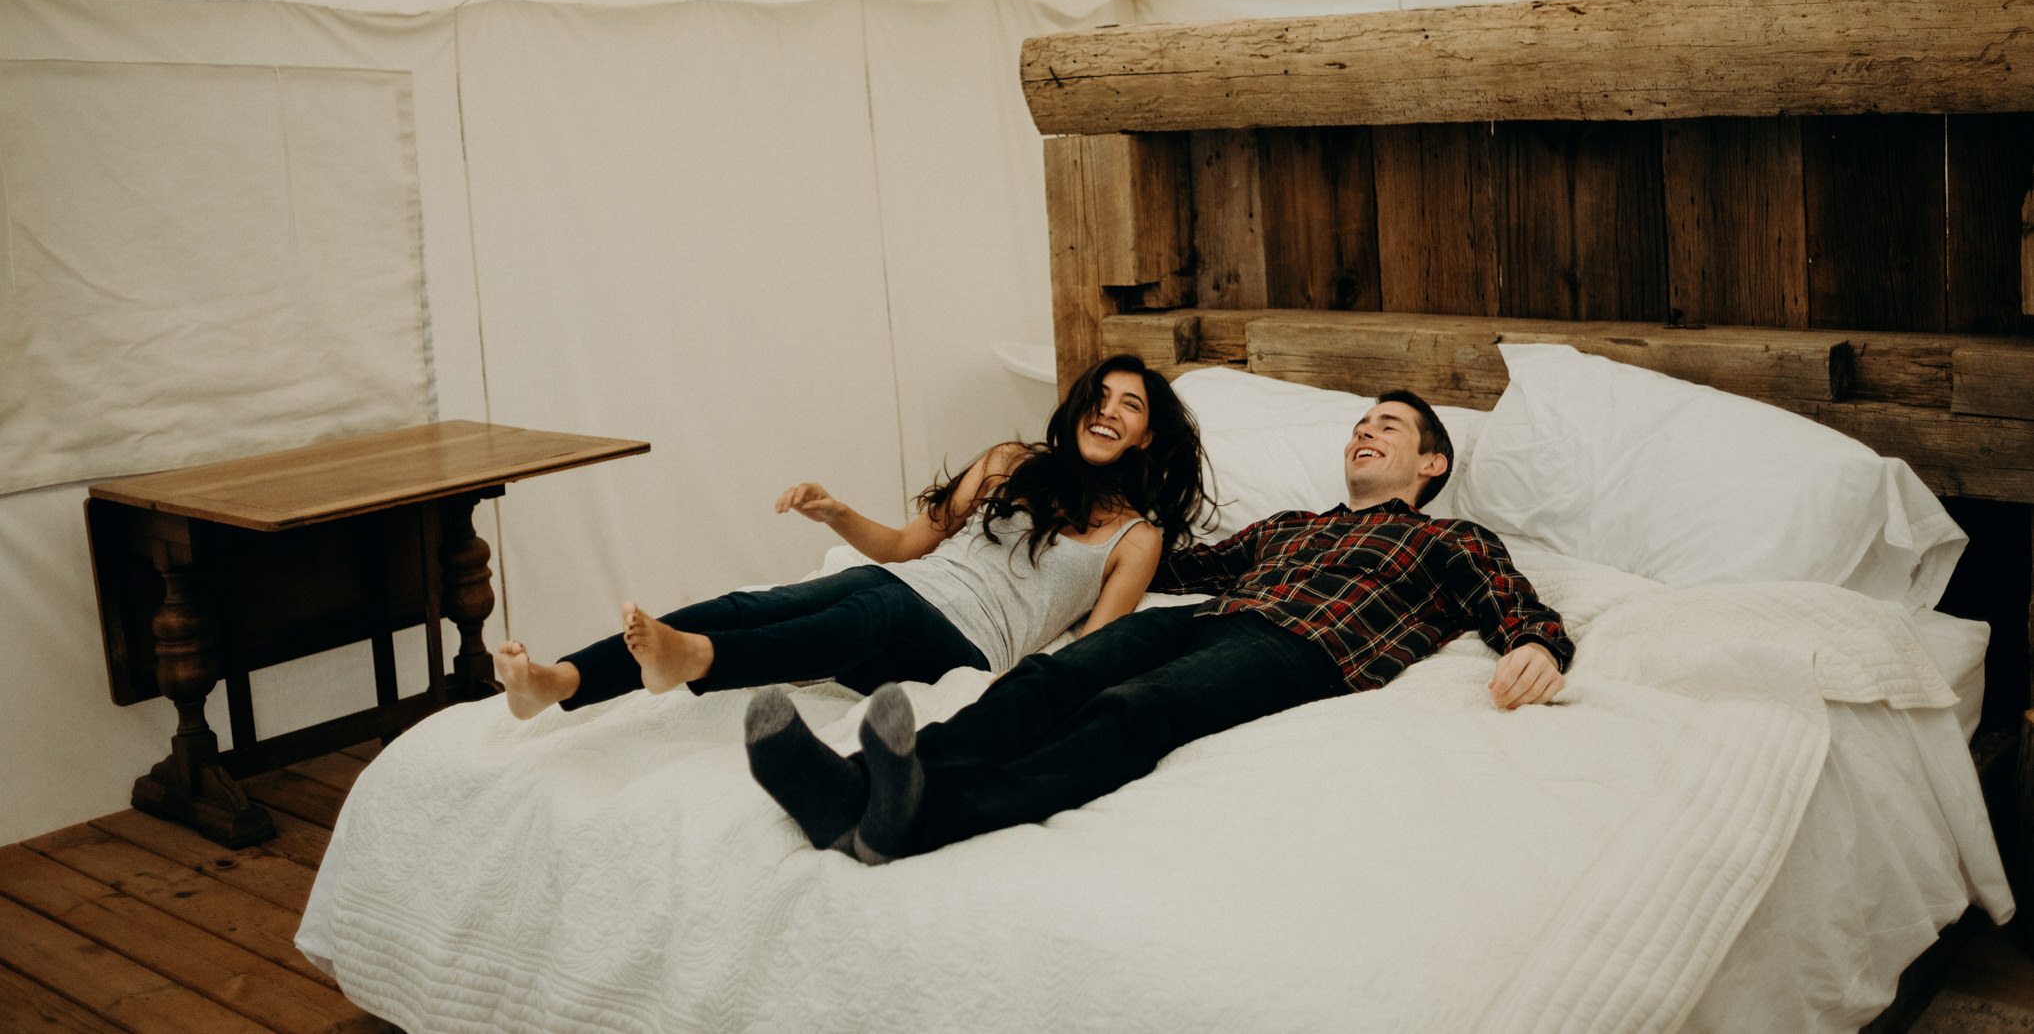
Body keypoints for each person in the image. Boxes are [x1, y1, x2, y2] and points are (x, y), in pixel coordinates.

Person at [742, 389, 1573, 861]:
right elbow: (1165, 562)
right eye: (1359, 424)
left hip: (1303, 648)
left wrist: (1536, 645)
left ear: (1431, 463)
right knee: (1055, 675)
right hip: (1215, 618)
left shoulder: (1448, 538)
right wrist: (1067, 506)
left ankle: (925, 818)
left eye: (1387, 426)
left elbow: (1511, 602)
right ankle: (850, 788)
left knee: (1135, 710)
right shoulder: (1287, 526)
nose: (1365, 432)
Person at [491, 354, 1212, 719]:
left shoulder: (1134, 538)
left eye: (1131, 405)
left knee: (868, 615)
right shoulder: (1007, 463)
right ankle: (556, 682)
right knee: (759, 604)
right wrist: (834, 512)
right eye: (1101, 397)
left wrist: (1015, 693)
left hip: (965, 643)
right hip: (899, 586)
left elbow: (1096, 648)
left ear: (1148, 437)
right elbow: (904, 547)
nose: (1109, 411)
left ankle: (695, 659)